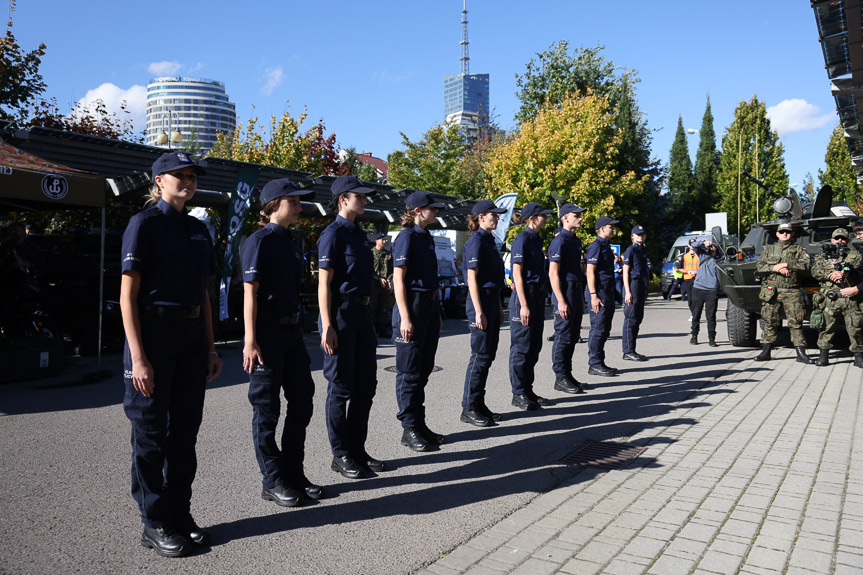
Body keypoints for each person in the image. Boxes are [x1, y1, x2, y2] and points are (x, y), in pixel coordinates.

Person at [120, 151, 222, 558]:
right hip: (154, 335)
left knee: (184, 433)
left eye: (192, 175)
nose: (188, 180)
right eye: (178, 174)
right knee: (150, 435)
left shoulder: (199, 230)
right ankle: (155, 521)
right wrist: (139, 357)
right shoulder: (143, 225)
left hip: (192, 337)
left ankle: (180, 513)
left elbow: (204, 296)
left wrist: (211, 347)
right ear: (158, 180)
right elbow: (127, 297)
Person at [241, 178, 322, 508]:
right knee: (267, 411)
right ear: (275, 203)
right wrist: (249, 340)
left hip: (292, 334)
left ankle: (293, 473)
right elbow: (250, 294)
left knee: (303, 401)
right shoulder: (258, 241)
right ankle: (273, 480)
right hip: (267, 335)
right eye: (294, 201)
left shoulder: (291, 240)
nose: (300, 206)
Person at [318, 175, 385, 479]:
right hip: (341, 315)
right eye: (360, 195)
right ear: (344, 199)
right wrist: (327, 324)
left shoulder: (359, 234)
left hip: (362, 315)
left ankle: (357, 449)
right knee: (341, 386)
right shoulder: (332, 235)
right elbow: (325, 284)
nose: (365, 199)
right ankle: (341, 453)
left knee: (365, 387)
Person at [392, 191, 447, 451]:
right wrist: (405, 316)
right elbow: (398, 279)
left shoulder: (427, 237)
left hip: (428, 305)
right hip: (411, 306)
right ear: (417, 211)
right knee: (409, 371)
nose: (435, 211)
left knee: (423, 370)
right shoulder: (406, 237)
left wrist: (436, 313)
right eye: (431, 208)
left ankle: (419, 424)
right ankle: (409, 428)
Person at [461, 199, 507, 427]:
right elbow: (472, 279)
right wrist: (479, 311)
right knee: (479, 356)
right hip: (480, 302)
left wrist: (498, 306)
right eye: (494, 215)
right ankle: (469, 407)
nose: (497, 218)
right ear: (481, 217)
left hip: (491, 300)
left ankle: (478, 403)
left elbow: (495, 279)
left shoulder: (490, 241)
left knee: (487, 356)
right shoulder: (476, 242)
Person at [508, 202, 553, 411]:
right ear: (533, 218)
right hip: (524, 296)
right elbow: (516, 274)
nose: (547, 219)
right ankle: (518, 393)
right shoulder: (522, 239)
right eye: (543, 216)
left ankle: (527, 389)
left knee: (534, 347)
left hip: (537, 295)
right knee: (522, 347)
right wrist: (524, 305)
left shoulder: (536, 239)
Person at [754, 223, 812, 363]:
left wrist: (787, 264)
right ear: (777, 234)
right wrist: (775, 267)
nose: (785, 234)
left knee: (796, 322)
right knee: (770, 321)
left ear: (792, 234)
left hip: (792, 290)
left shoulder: (798, 250)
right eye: (782, 232)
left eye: (788, 232)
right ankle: (766, 351)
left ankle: (800, 353)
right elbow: (760, 266)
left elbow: (806, 264)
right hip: (772, 290)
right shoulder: (770, 250)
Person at [548, 203, 589, 395]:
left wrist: (581, 296)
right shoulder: (559, 241)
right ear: (565, 218)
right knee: (563, 336)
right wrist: (561, 300)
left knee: (573, 336)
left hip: (576, 291)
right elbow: (553, 273)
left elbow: (578, 271)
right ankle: (560, 377)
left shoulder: (575, 241)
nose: (580, 218)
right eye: (576, 215)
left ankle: (568, 374)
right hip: (564, 292)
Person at [812, 228, 863, 367]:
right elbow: (815, 271)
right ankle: (823, 356)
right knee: (826, 328)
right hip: (830, 298)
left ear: (848, 240)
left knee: (855, 328)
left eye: (843, 238)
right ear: (832, 239)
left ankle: (858, 356)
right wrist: (830, 273)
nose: (840, 240)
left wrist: (845, 272)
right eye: (837, 238)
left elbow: (858, 273)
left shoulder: (855, 256)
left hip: (849, 297)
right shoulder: (824, 256)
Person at [586, 216, 619, 377]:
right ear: (601, 229)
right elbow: (590, 271)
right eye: (611, 227)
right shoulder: (596, 246)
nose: (613, 229)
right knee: (598, 328)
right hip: (599, 292)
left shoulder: (606, 246)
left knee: (605, 329)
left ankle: (600, 361)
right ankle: (595, 363)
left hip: (608, 291)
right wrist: (593, 295)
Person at [622, 225, 650, 361]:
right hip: (633, 283)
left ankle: (632, 349)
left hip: (641, 284)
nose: (640, 236)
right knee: (631, 317)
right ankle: (627, 351)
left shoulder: (642, 249)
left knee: (638, 318)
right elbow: (625, 271)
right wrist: (627, 291)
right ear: (632, 236)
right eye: (637, 234)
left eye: (642, 234)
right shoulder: (630, 250)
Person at [689, 240, 721, 347]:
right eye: (710, 246)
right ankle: (694, 336)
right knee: (696, 314)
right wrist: (703, 242)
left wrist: (713, 245)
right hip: (698, 288)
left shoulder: (720, 259)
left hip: (712, 290)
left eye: (713, 246)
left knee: (711, 316)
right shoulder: (703, 255)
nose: (711, 248)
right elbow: (693, 245)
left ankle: (712, 339)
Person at [370, 232, 394, 339]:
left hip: (384, 286)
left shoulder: (388, 254)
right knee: (372, 308)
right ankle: (372, 330)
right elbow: (368, 270)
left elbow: (392, 270)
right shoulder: (370, 253)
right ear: (376, 240)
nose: (384, 242)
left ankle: (383, 330)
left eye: (385, 240)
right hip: (373, 284)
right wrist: (378, 278)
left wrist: (389, 280)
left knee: (384, 308)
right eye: (382, 239)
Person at [681, 239, 700, 310]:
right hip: (688, 279)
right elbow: (679, 268)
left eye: (694, 244)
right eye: (691, 244)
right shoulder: (685, 256)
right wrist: (687, 271)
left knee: (697, 298)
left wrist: (697, 272)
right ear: (689, 245)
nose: (692, 246)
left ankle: (696, 314)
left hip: (697, 279)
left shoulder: (699, 255)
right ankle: (693, 313)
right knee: (690, 298)